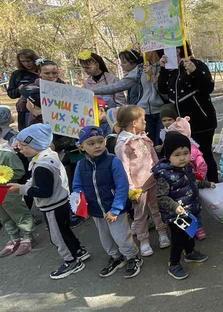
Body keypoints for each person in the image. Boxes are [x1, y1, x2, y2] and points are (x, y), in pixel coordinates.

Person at [6, 124, 89, 279]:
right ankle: (78, 250)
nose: (20, 148)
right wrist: (27, 185)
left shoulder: (42, 166)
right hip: (61, 202)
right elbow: (38, 182)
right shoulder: (48, 155)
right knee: (64, 230)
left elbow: (44, 191)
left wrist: (21, 189)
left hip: (53, 206)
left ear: (36, 145)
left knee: (57, 236)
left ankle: (71, 261)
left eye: (24, 146)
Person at [73, 125, 142, 278]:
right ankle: (116, 257)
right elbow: (77, 186)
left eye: (100, 141)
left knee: (122, 237)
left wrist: (115, 209)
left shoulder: (113, 161)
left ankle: (132, 257)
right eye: (91, 143)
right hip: (96, 211)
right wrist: (78, 201)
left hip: (115, 210)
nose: (97, 146)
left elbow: (122, 186)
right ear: (81, 147)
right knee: (105, 239)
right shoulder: (80, 165)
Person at [153, 131, 213, 280]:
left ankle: (190, 253)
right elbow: (161, 197)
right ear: (168, 156)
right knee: (178, 240)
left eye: (186, 153)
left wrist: (206, 184)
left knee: (190, 233)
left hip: (190, 209)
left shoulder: (187, 167)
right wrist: (174, 207)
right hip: (176, 215)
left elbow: (193, 183)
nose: (182, 158)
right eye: (177, 155)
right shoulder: (164, 175)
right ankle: (173, 264)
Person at [157, 43, 218, 182]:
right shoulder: (170, 69)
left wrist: (195, 71)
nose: (164, 54)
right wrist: (163, 69)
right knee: (186, 157)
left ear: (177, 50)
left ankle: (214, 184)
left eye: (166, 50)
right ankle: (192, 186)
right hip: (181, 125)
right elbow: (162, 89)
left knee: (204, 155)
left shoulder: (197, 64)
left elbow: (208, 87)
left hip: (202, 121)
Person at [115, 104, 170, 257]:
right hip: (138, 187)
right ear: (134, 123)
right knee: (140, 215)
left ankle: (162, 232)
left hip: (153, 180)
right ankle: (143, 240)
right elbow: (123, 168)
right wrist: (131, 188)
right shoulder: (124, 145)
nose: (145, 122)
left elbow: (154, 158)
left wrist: (159, 172)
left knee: (157, 208)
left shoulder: (144, 138)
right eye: (143, 120)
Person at [97, 49, 165, 145]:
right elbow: (119, 85)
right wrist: (94, 91)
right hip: (144, 114)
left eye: (144, 49)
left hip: (161, 112)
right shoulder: (140, 68)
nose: (141, 53)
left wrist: (152, 75)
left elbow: (164, 90)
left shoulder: (165, 66)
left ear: (152, 49)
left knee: (161, 144)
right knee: (146, 144)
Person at [166, 116, 209, 240]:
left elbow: (201, 164)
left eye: (185, 154)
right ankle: (186, 232)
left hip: (191, 189)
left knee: (195, 210)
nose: (182, 157)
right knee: (183, 213)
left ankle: (198, 228)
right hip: (178, 195)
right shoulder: (167, 167)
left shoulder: (191, 150)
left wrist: (200, 177)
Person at [0, 134, 35, 256]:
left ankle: (28, 236)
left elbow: (19, 171)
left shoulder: (6, 153)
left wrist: (4, 176)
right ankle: (14, 237)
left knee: (19, 213)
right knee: (4, 216)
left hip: (8, 190)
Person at [7, 50, 39, 130]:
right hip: (24, 110)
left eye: (28, 61)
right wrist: (19, 89)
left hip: (42, 107)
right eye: (23, 61)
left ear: (34, 59)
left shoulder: (44, 71)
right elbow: (11, 94)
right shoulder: (17, 74)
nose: (26, 64)